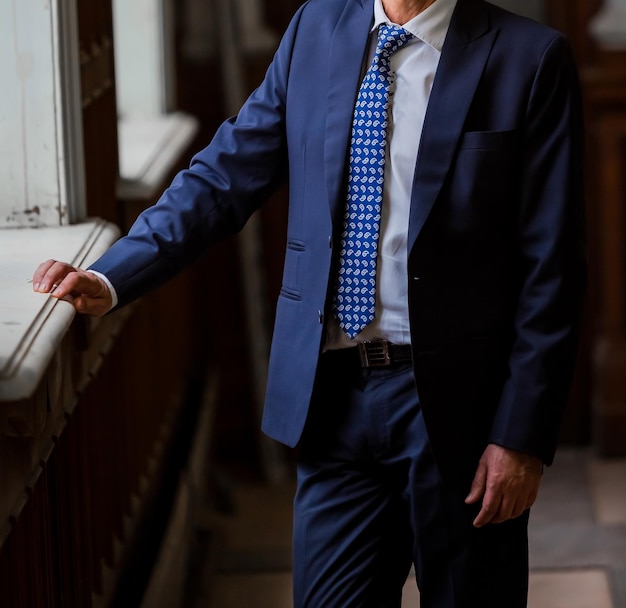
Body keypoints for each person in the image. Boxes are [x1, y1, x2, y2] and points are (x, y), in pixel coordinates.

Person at [33, 0, 586, 605]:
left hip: (462, 411)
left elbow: (552, 267)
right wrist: (113, 276)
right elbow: (224, 175)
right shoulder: (316, 29)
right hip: (333, 402)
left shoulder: (529, 58)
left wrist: (520, 438)